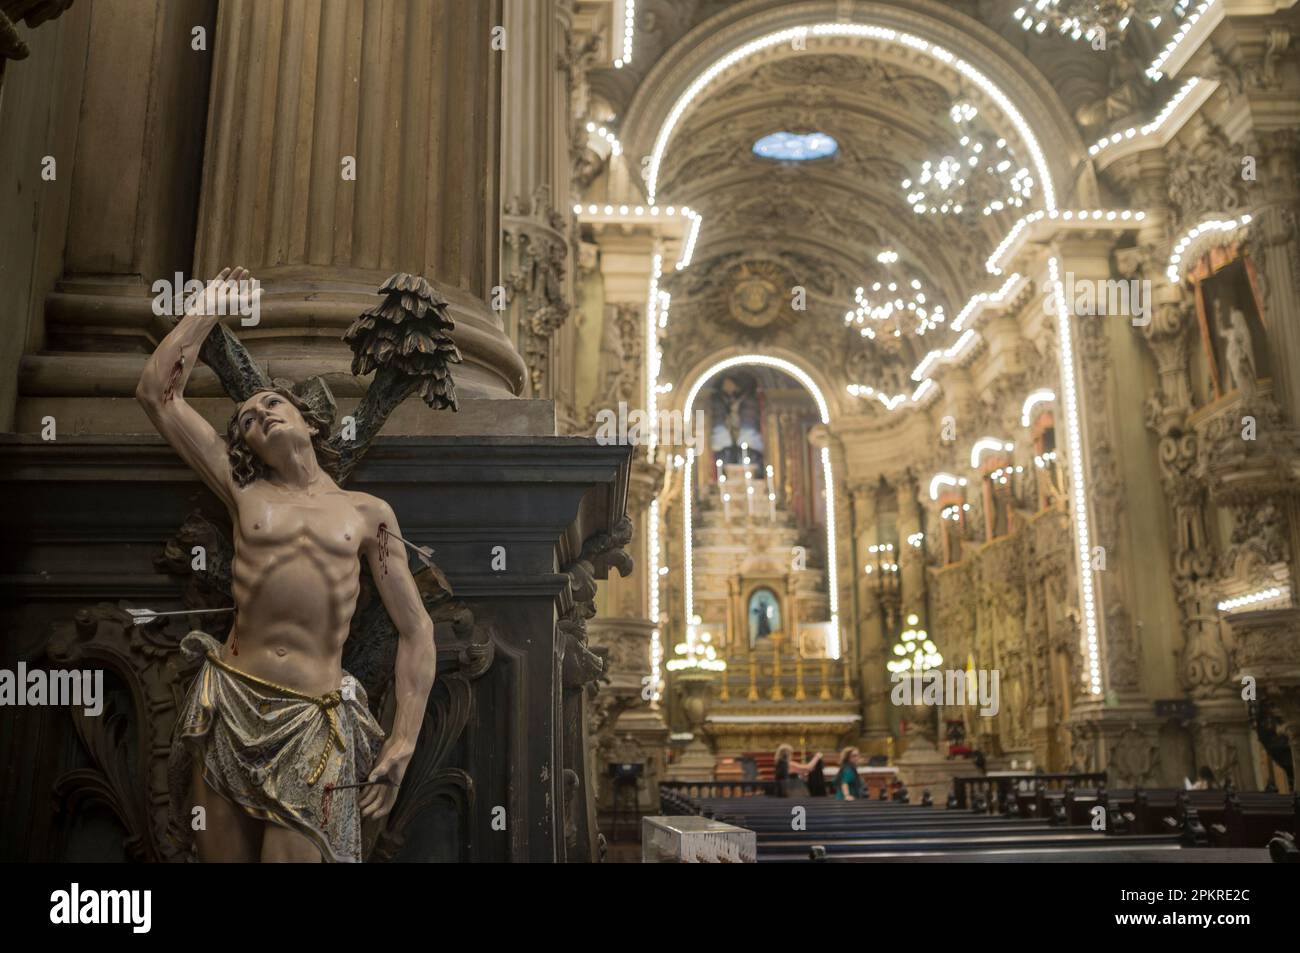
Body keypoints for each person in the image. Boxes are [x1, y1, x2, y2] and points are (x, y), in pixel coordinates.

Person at [139, 268, 438, 863]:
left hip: (312, 719)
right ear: (245, 444)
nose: (260, 416)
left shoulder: (368, 514)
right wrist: (206, 308)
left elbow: (417, 628)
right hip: (228, 702)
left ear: (311, 421)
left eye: (272, 403)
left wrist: (403, 741)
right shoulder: (244, 491)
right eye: (247, 419)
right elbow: (158, 395)